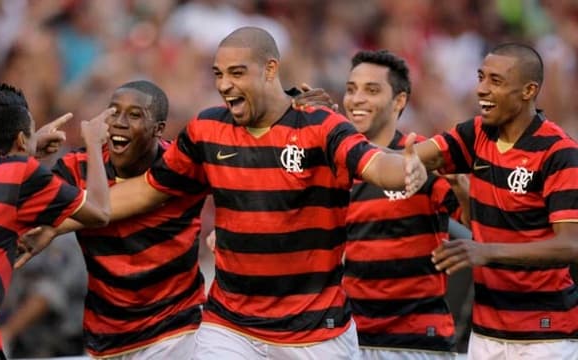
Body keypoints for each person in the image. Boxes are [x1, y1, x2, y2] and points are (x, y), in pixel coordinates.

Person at [80, 26, 427, 360]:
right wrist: (62, 218)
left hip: (315, 330)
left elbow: (377, 164)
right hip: (230, 326)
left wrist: (406, 167)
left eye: (236, 73)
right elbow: (145, 191)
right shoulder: (206, 129)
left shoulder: (321, 125)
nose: (224, 84)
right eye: (218, 74)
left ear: (270, 69)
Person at [19, 80, 208, 359]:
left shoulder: (179, 166)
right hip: (106, 338)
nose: (119, 122)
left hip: (175, 330)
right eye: (113, 112)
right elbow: (14, 205)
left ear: (158, 129)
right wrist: (27, 153)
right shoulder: (76, 168)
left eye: (134, 115)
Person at [419, 43, 578, 358]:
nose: (482, 89)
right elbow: (407, 160)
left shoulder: (559, 152)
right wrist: (329, 129)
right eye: (481, 77)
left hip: (546, 336)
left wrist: (485, 251)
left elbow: (570, 245)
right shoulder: (476, 134)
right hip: (485, 333)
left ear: (528, 90)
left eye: (496, 81)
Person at [0, 82, 112, 359]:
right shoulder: (19, 174)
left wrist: (26, 146)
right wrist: (93, 143)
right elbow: (100, 211)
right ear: (20, 140)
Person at [339, 49, 468, 360]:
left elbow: (480, 226)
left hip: (416, 343)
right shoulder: (336, 162)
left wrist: (461, 188)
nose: (356, 99)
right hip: (346, 339)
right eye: (351, 89)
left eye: (371, 90)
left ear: (399, 101)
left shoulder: (423, 157)